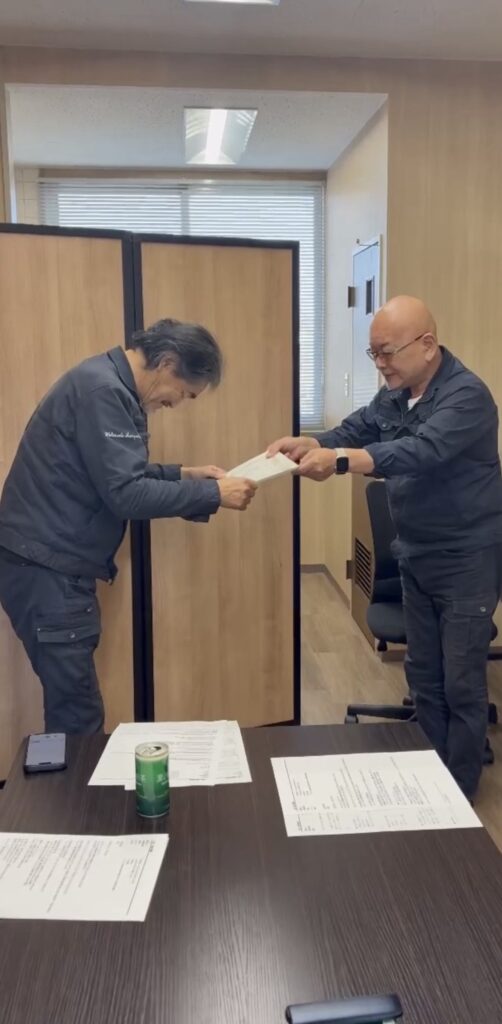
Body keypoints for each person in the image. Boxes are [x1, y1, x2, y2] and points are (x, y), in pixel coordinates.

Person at [269, 295, 502, 800]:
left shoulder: (467, 397)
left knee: (461, 684)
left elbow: (420, 451)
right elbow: (358, 427)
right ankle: (432, 775)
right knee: (424, 676)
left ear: (427, 344)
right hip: (416, 553)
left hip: (466, 561)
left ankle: (458, 793)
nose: (380, 364)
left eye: (387, 352)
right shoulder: (397, 394)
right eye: (373, 353)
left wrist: (341, 459)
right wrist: (314, 442)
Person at [0, 318, 256, 735]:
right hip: (47, 572)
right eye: (184, 393)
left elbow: (111, 472)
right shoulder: (105, 392)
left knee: (73, 705)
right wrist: (213, 494)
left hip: (45, 565)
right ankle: (75, 782)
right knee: (77, 713)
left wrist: (182, 475)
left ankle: (72, 778)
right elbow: (126, 494)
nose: (177, 404)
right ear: (167, 362)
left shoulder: (104, 382)